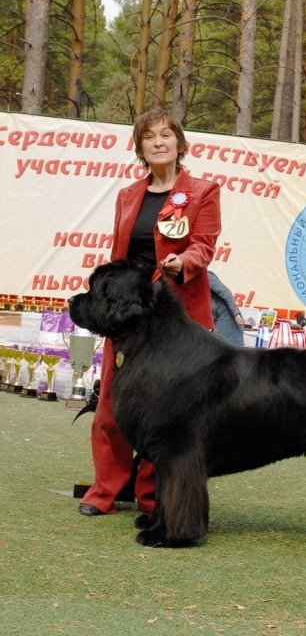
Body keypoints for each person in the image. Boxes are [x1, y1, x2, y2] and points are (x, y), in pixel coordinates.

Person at [79, 107, 221, 516]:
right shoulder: (128, 195)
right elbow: (119, 254)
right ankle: (105, 491)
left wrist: (184, 263)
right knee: (111, 403)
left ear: (179, 143)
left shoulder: (202, 192)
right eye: (149, 136)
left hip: (176, 317)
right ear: (140, 146)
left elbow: (204, 244)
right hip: (127, 316)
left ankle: (152, 495)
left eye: (166, 134)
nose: (159, 142)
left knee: (170, 411)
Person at [208, 270, 245, 345]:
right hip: (218, 319)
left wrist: (236, 313)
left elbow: (225, 293)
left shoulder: (205, 276)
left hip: (228, 318)